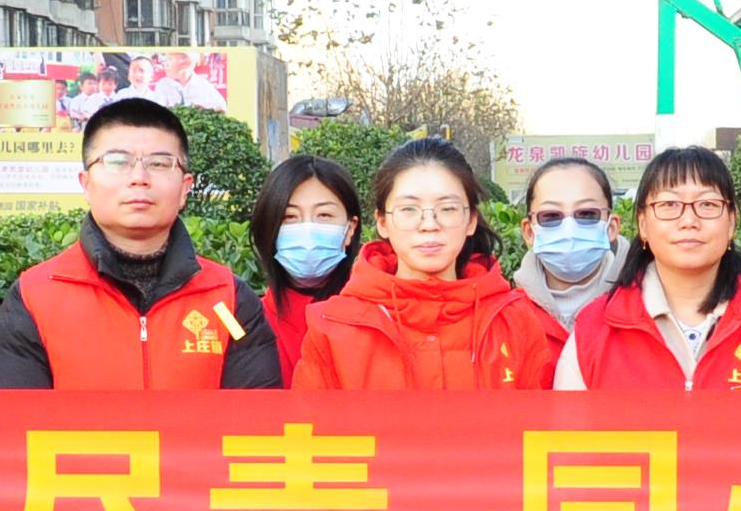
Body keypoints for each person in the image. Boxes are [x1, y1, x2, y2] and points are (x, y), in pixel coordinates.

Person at [0, 94, 283, 388]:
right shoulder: (34, 298)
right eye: (117, 161)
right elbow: (13, 420)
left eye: (159, 163)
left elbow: (255, 416)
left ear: (185, 187)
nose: (139, 177)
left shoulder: (228, 299)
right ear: (86, 183)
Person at [293, 138, 569, 389]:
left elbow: (536, 425)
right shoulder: (333, 326)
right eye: (408, 209)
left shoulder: (515, 321)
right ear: (382, 222)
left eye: (447, 208)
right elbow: (312, 427)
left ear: (471, 220)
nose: (429, 224)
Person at [556, 145, 741, 390]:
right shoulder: (594, 332)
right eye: (669, 204)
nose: (689, 220)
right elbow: (568, 431)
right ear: (643, 224)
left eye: (707, 204)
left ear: (731, 223)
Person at [245, 153, 364, 380]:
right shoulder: (246, 322)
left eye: (324, 215)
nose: (307, 229)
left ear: (350, 228)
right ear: (268, 228)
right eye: (289, 216)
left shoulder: (377, 319)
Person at [514, 155, 624, 336]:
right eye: (551, 216)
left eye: (587, 214)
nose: (569, 229)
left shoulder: (644, 309)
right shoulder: (507, 317)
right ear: (529, 232)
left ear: (611, 227)